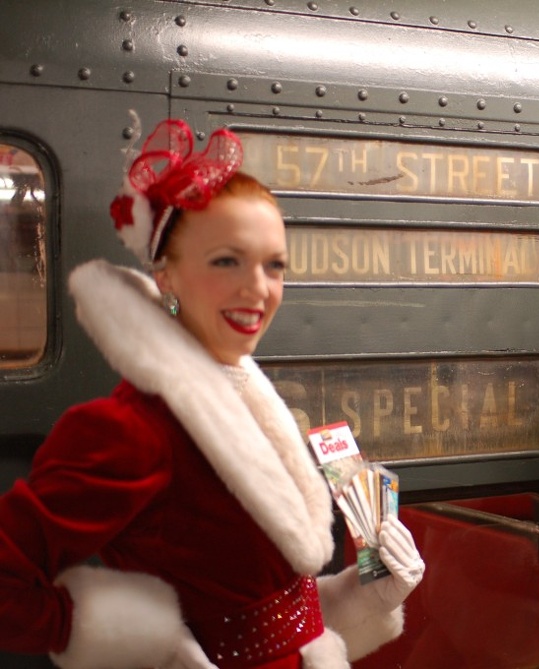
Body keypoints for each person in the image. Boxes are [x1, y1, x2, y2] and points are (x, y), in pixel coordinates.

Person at [0, 117, 424, 669]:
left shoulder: (243, 392)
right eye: (227, 260)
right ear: (167, 276)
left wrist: (372, 591)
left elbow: (258, 612)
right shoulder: (128, 429)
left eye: (274, 265)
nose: (258, 288)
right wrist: (145, 644)